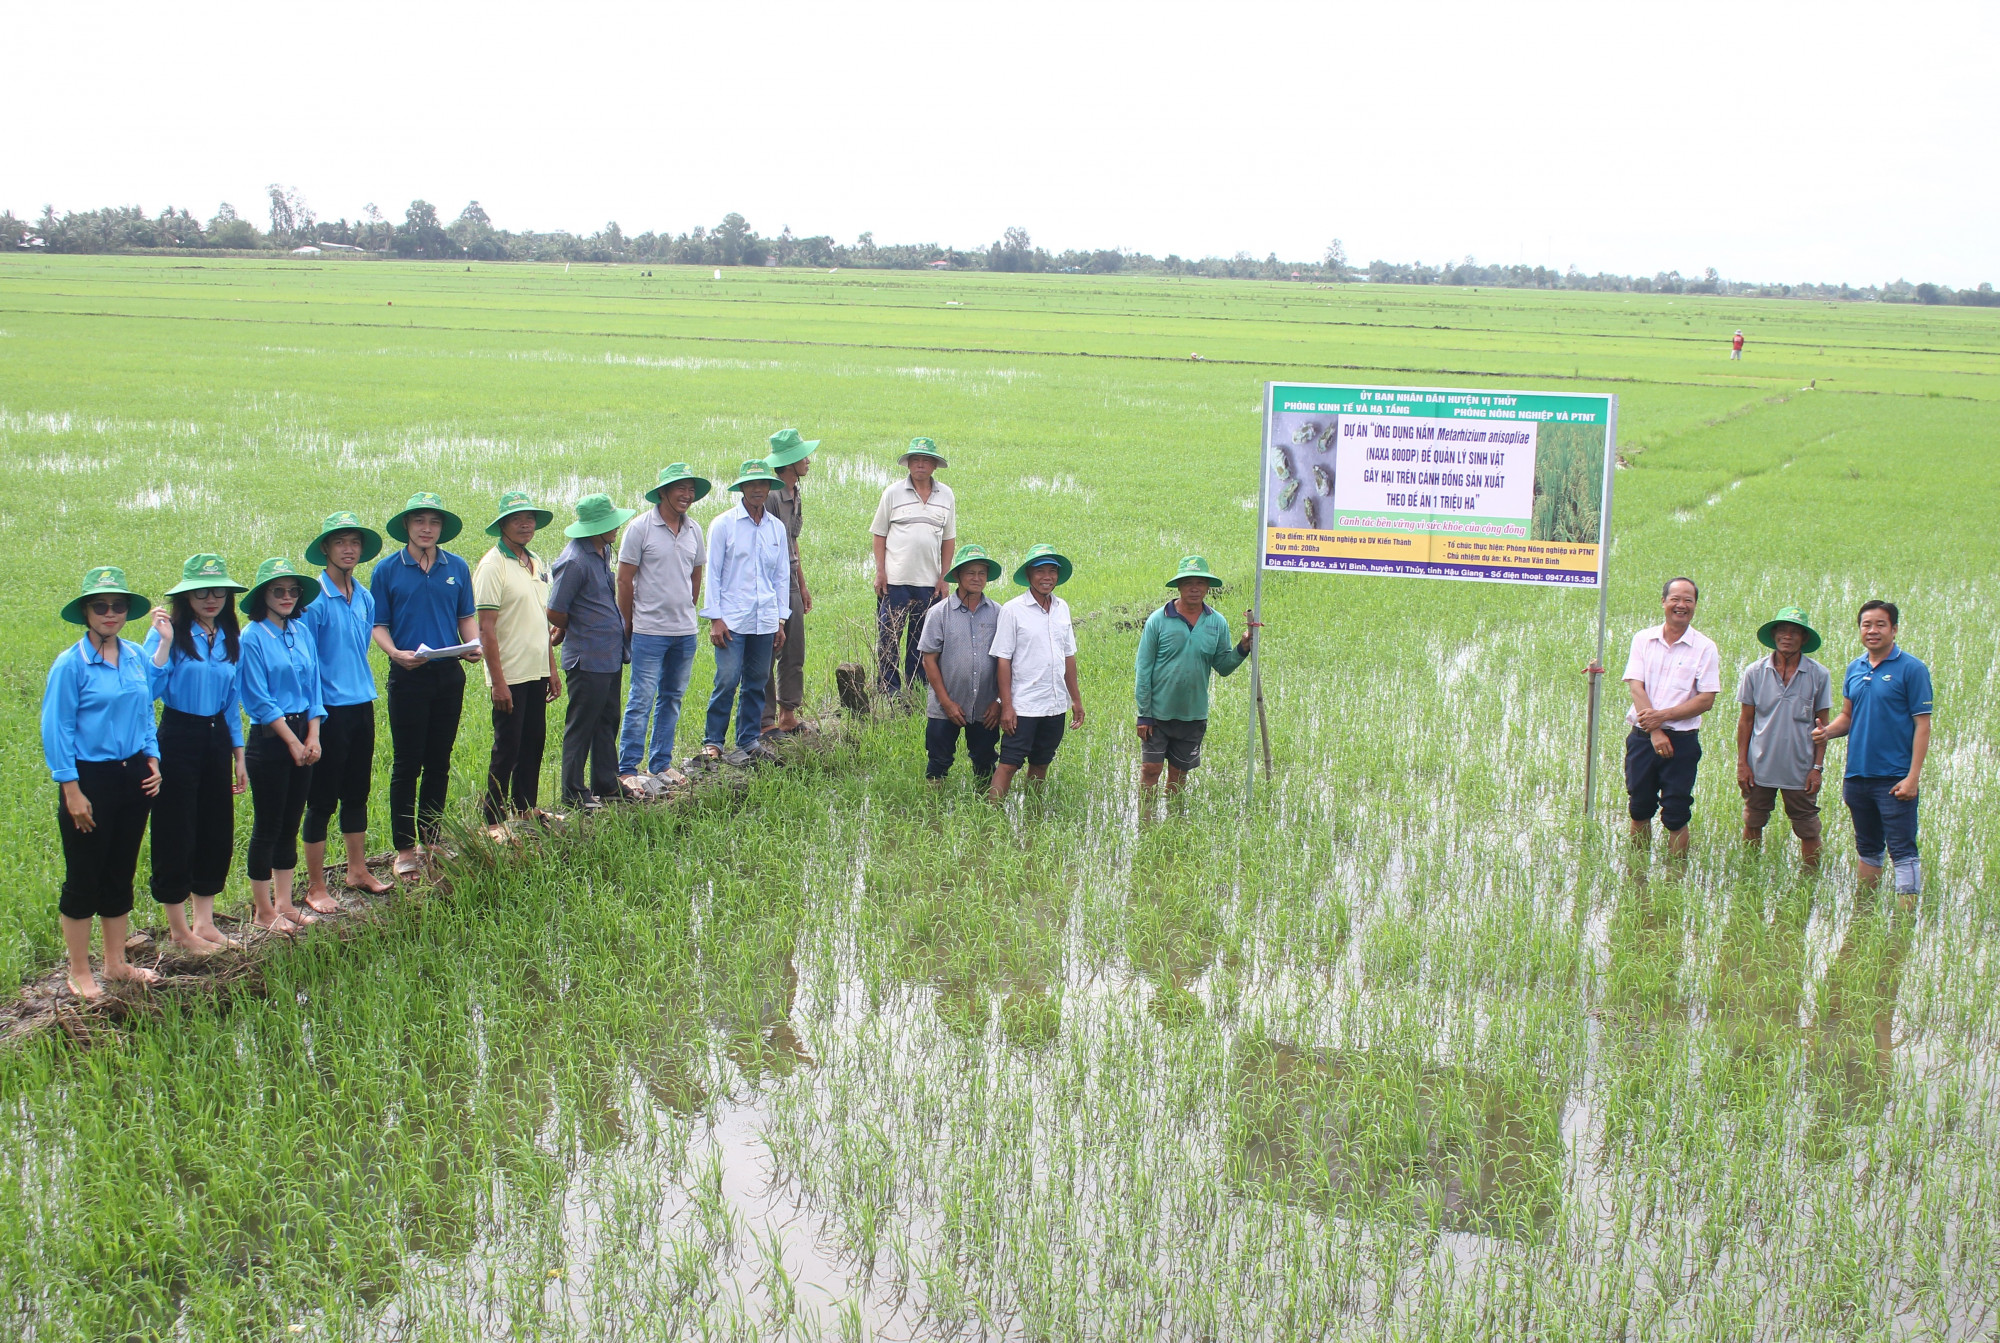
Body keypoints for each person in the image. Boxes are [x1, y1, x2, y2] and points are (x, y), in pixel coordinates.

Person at [41, 566, 164, 998]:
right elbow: (57, 729)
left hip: (134, 776)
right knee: (84, 874)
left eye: (117, 606)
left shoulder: (132, 655)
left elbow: (145, 712)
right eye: (101, 606)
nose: (110, 613)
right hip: (89, 779)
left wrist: (153, 758)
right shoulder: (71, 664)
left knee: (120, 869)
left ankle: (116, 964)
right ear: (86, 612)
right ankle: (79, 971)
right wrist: (70, 789)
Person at [371, 491, 480, 881]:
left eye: (433, 522)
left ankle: (431, 842)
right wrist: (396, 653)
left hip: (449, 673)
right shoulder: (387, 570)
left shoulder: (457, 567)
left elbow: (466, 616)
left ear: (441, 528)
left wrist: (473, 644)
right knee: (406, 764)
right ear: (406, 526)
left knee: (439, 760)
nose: (426, 529)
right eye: (419, 521)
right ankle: (404, 849)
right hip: (408, 675)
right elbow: (378, 625)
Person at [143, 554, 248, 953]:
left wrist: (238, 755)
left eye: (218, 591)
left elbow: (231, 701)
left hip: (216, 737)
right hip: (178, 735)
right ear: (185, 596)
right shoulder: (166, 634)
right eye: (201, 591)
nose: (211, 598)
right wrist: (166, 644)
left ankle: (205, 922)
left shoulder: (227, 635)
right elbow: (147, 690)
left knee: (215, 827)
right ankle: (178, 930)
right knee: (175, 828)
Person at [299, 511, 392, 909]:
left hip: (361, 705)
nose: (349, 549)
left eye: (354, 542)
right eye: (340, 542)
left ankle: (357, 870)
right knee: (322, 799)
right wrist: (313, 719)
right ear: (325, 550)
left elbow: (360, 651)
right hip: (327, 711)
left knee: (357, 791)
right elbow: (307, 663)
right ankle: (315, 886)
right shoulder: (314, 602)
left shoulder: (365, 597)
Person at [1813, 600, 1933, 898]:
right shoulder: (1856, 667)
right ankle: (1865, 914)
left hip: (1894, 778)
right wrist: (1827, 733)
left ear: (1894, 629)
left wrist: (1913, 777)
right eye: (1866, 625)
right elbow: (1848, 717)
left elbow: (1923, 725)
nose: (1873, 630)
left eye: (1880, 624)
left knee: (1903, 850)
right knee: (1867, 847)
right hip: (1857, 776)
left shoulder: (1912, 669)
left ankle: (1905, 922)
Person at [238, 557, 326, 932]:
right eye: (279, 591)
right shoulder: (252, 637)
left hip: (303, 735)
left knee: (291, 821)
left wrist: (313, 735)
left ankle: (285, 903)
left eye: (293, 591)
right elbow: (257, 697)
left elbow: (315, 689)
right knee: (268, 824)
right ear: (264, 596)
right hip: (271, 740)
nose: (287, 597)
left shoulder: (301, 632)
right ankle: (262, 911)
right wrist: (292, 741)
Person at [1134, 556, 1259, 799]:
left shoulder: (1217, 622)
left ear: (1208, 588)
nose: (1194, 588)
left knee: (1179, 776)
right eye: (1188, 582)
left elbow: (1222, 666)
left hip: (1193, 714)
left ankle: (1173, 826)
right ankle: (1145, 823)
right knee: (1151, 770)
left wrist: (1243, 648)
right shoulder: (1158, 620)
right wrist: (1144, 714)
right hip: (1157, 714)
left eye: (1200, 583)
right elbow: (1143, 669)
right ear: (1178, 586)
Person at [474, 490, 561, 832]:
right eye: (516, 519)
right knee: (507, 748)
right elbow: (486, 628)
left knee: (534, 741)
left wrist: (552, 670)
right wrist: (497, 681)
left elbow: (542, 621)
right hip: (509, 673)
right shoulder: (492, 565)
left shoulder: (536, 562)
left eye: (529, 519)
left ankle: (526, 809)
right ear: (503, 526)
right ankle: (493, 821)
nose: (525, 525)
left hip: (536, 669)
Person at [618, 463, 708, 789]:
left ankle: (660, 764)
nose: (687, 495)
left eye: (690, 489)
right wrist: (627, 622)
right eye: (680, 489)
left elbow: (696, 575)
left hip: (684, 632)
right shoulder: (640, 529)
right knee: (640, 698)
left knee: (671, 697)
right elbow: (624, 579)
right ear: (663, 492)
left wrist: (686, 605)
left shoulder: (694, 530)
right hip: (648, 630)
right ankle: (627, 769)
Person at [698, 458, 791, 765]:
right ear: (741, 489)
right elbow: (712, 573)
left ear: (768, 489)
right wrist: (715, 617)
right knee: (726, 678)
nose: (757, 490)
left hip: (764, 618)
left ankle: (748, 739)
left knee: (757, 680)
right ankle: (713, 741)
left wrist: (780, 620)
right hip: (732, 619)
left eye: (762, 484)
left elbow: (780, 577)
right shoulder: (724, 524)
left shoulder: (776, 528)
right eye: (751, 485)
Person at [549, 492, 636, 813]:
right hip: (587, 658)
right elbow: (555, 610)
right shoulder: (574, 562)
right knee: (582, 724)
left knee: (607, 720)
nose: (616, 528)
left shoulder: (602, 550)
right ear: (592, 528)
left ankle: (607, 783)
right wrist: (577, 626)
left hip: (610, 654)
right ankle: (572, 792)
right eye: (609, 524)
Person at [1621, 577, 1720, 857]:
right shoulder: (1643, 639)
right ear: (1663, 602)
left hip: (1682, 741)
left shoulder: (1705, 647)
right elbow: (1635, 685)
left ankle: (1674, 878)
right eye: (1675, 599)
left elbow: (1706, 699)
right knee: (1639, 807)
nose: (1681, 605)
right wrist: (1654, 731)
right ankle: (1637, 872)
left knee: (1676, 812)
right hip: (1643, 738)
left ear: (1695, 606)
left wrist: (1662, 718)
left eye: (1688, 600)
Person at [1734, 605, 1832, 867]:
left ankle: (1810, 879)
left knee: (1808, 827)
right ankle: (1750, 873)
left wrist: (1817, 768)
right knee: (1753, 820)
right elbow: (1746, 720)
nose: (1787, 636)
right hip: (1759, 766)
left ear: (1804, 639)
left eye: (1794, 632)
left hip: (1800, 770)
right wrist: (1743, 764)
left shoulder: (1819, 675)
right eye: (1782, 631)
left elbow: (1822, 727)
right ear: (1774, 635)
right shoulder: (1754, 672)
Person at [990, 544, 1084, 801]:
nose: (1047, 577)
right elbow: (1003, 660)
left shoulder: (1062, 608)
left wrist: (1075, 700)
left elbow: (1068, 657)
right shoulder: (1013, 609)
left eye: (1052, 571)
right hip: (1025, 705)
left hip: (1054, 705)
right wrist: (1006, 705)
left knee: (1041, 763)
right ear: (1029, 575)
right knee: (1009, 764)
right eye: (1040, 571)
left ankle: (1034, 815)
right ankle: (990, 821)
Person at [870, 437, 957, 699]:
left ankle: (917, 690)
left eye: (926, 460)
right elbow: (879, 535)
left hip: (929, 584)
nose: (920, 465)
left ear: (934, 465)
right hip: (895, 581)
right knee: (889, 638)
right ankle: (888, 691)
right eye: (915, 460)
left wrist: (944, 578)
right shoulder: (893, 493)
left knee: (921, 642)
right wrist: (881, 572)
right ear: (908, 464)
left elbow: (949, 539)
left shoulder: (946, 495)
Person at [916, 544, 1003, 787]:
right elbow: (929, 660)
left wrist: (999, 703)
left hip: (986, 708)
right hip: (945, 706)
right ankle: (934, 812)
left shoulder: (998, 613)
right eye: (970, 573)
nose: (977, 578)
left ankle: (986, 811)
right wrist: (946, 702)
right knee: (938, 763)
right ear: (958, 577)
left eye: (982, 573)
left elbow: (1006, 662)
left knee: (985, 761)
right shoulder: (939, 613)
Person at [760, 428, 816, 736]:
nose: (808, 461)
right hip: (770, 582)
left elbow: (793, 543)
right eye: (803, 456)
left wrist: (802, 585)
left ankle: (788, 714)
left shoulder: (795, 494)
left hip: (791, 579)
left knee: (794, 648)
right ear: (790, 461)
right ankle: (765, 720)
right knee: (769, 646)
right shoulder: (768, 497)